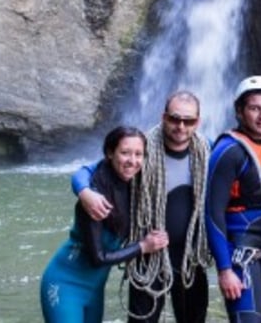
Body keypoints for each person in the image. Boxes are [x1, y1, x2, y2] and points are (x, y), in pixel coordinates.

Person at [71, 91, 212, 322]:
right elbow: (86, 171)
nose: (181, 126)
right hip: (148, 258)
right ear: (163, 117)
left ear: (198, 121)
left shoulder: (207, 149)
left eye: (189, 121)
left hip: (190, 259)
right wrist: (84, 191)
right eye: (175, 118)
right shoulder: (141, 149)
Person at [40, 126, 170, 323]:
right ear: (110, 153)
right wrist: (144, 246)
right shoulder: (95, 197)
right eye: (125, 153)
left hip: (94, 290)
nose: (132, 161)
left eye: (138, 154)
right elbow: (98, 258)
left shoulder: (136, 187)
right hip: (64, 284)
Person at [206, 75, 261, 323]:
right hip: (240, 258)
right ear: (240, 112)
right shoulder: (228, 152)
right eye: (254, 108)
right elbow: (212, 213)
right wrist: (224, 270)